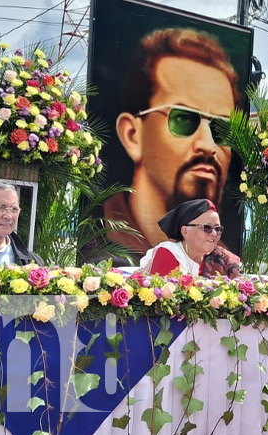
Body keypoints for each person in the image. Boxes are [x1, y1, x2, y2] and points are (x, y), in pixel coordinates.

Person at [103, 28, 241, 264]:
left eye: (221, 130)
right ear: (133, 134)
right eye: (183, 119)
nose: (207, 145)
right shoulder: (100, 255)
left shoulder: (226, 264)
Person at [140, 198, 237, 277]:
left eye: (218, 229)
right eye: (207, 228)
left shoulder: (222, 258)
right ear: (185, 232)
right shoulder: (170, 253)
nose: (214, 233)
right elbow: (161, 297)